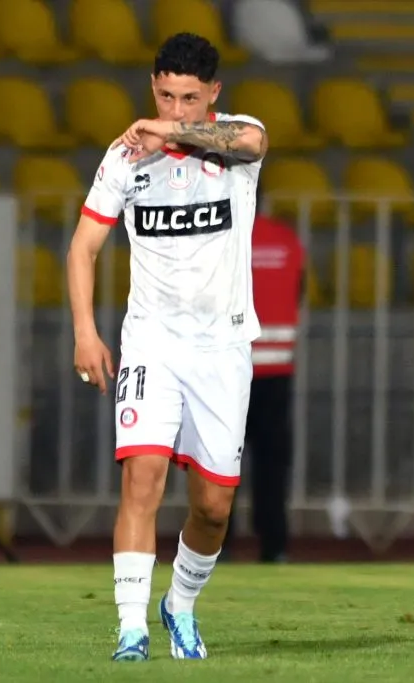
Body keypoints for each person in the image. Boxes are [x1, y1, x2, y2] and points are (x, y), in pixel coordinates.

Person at [66, 32, 268, 662]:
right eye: (164, 95)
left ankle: (178, 604)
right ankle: (131, 632)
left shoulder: (237, 139)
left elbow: (254, 142)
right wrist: (85, 331)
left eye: (188, 97)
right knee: (142, 480)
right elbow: (83, 247)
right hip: (151, 341)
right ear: (152, 85)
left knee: (213, 507)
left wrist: (172, 133)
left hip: (223, 346)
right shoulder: (124, 157)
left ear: (213, 94)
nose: (175, 107)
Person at [223, 208, 305, 563]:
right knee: (272, 464)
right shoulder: (286, 240)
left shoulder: (223, 238)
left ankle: (216, 546)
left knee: (220, 463)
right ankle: (274, 547)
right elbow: (299, 291)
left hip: (229, 371)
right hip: (277, 371)